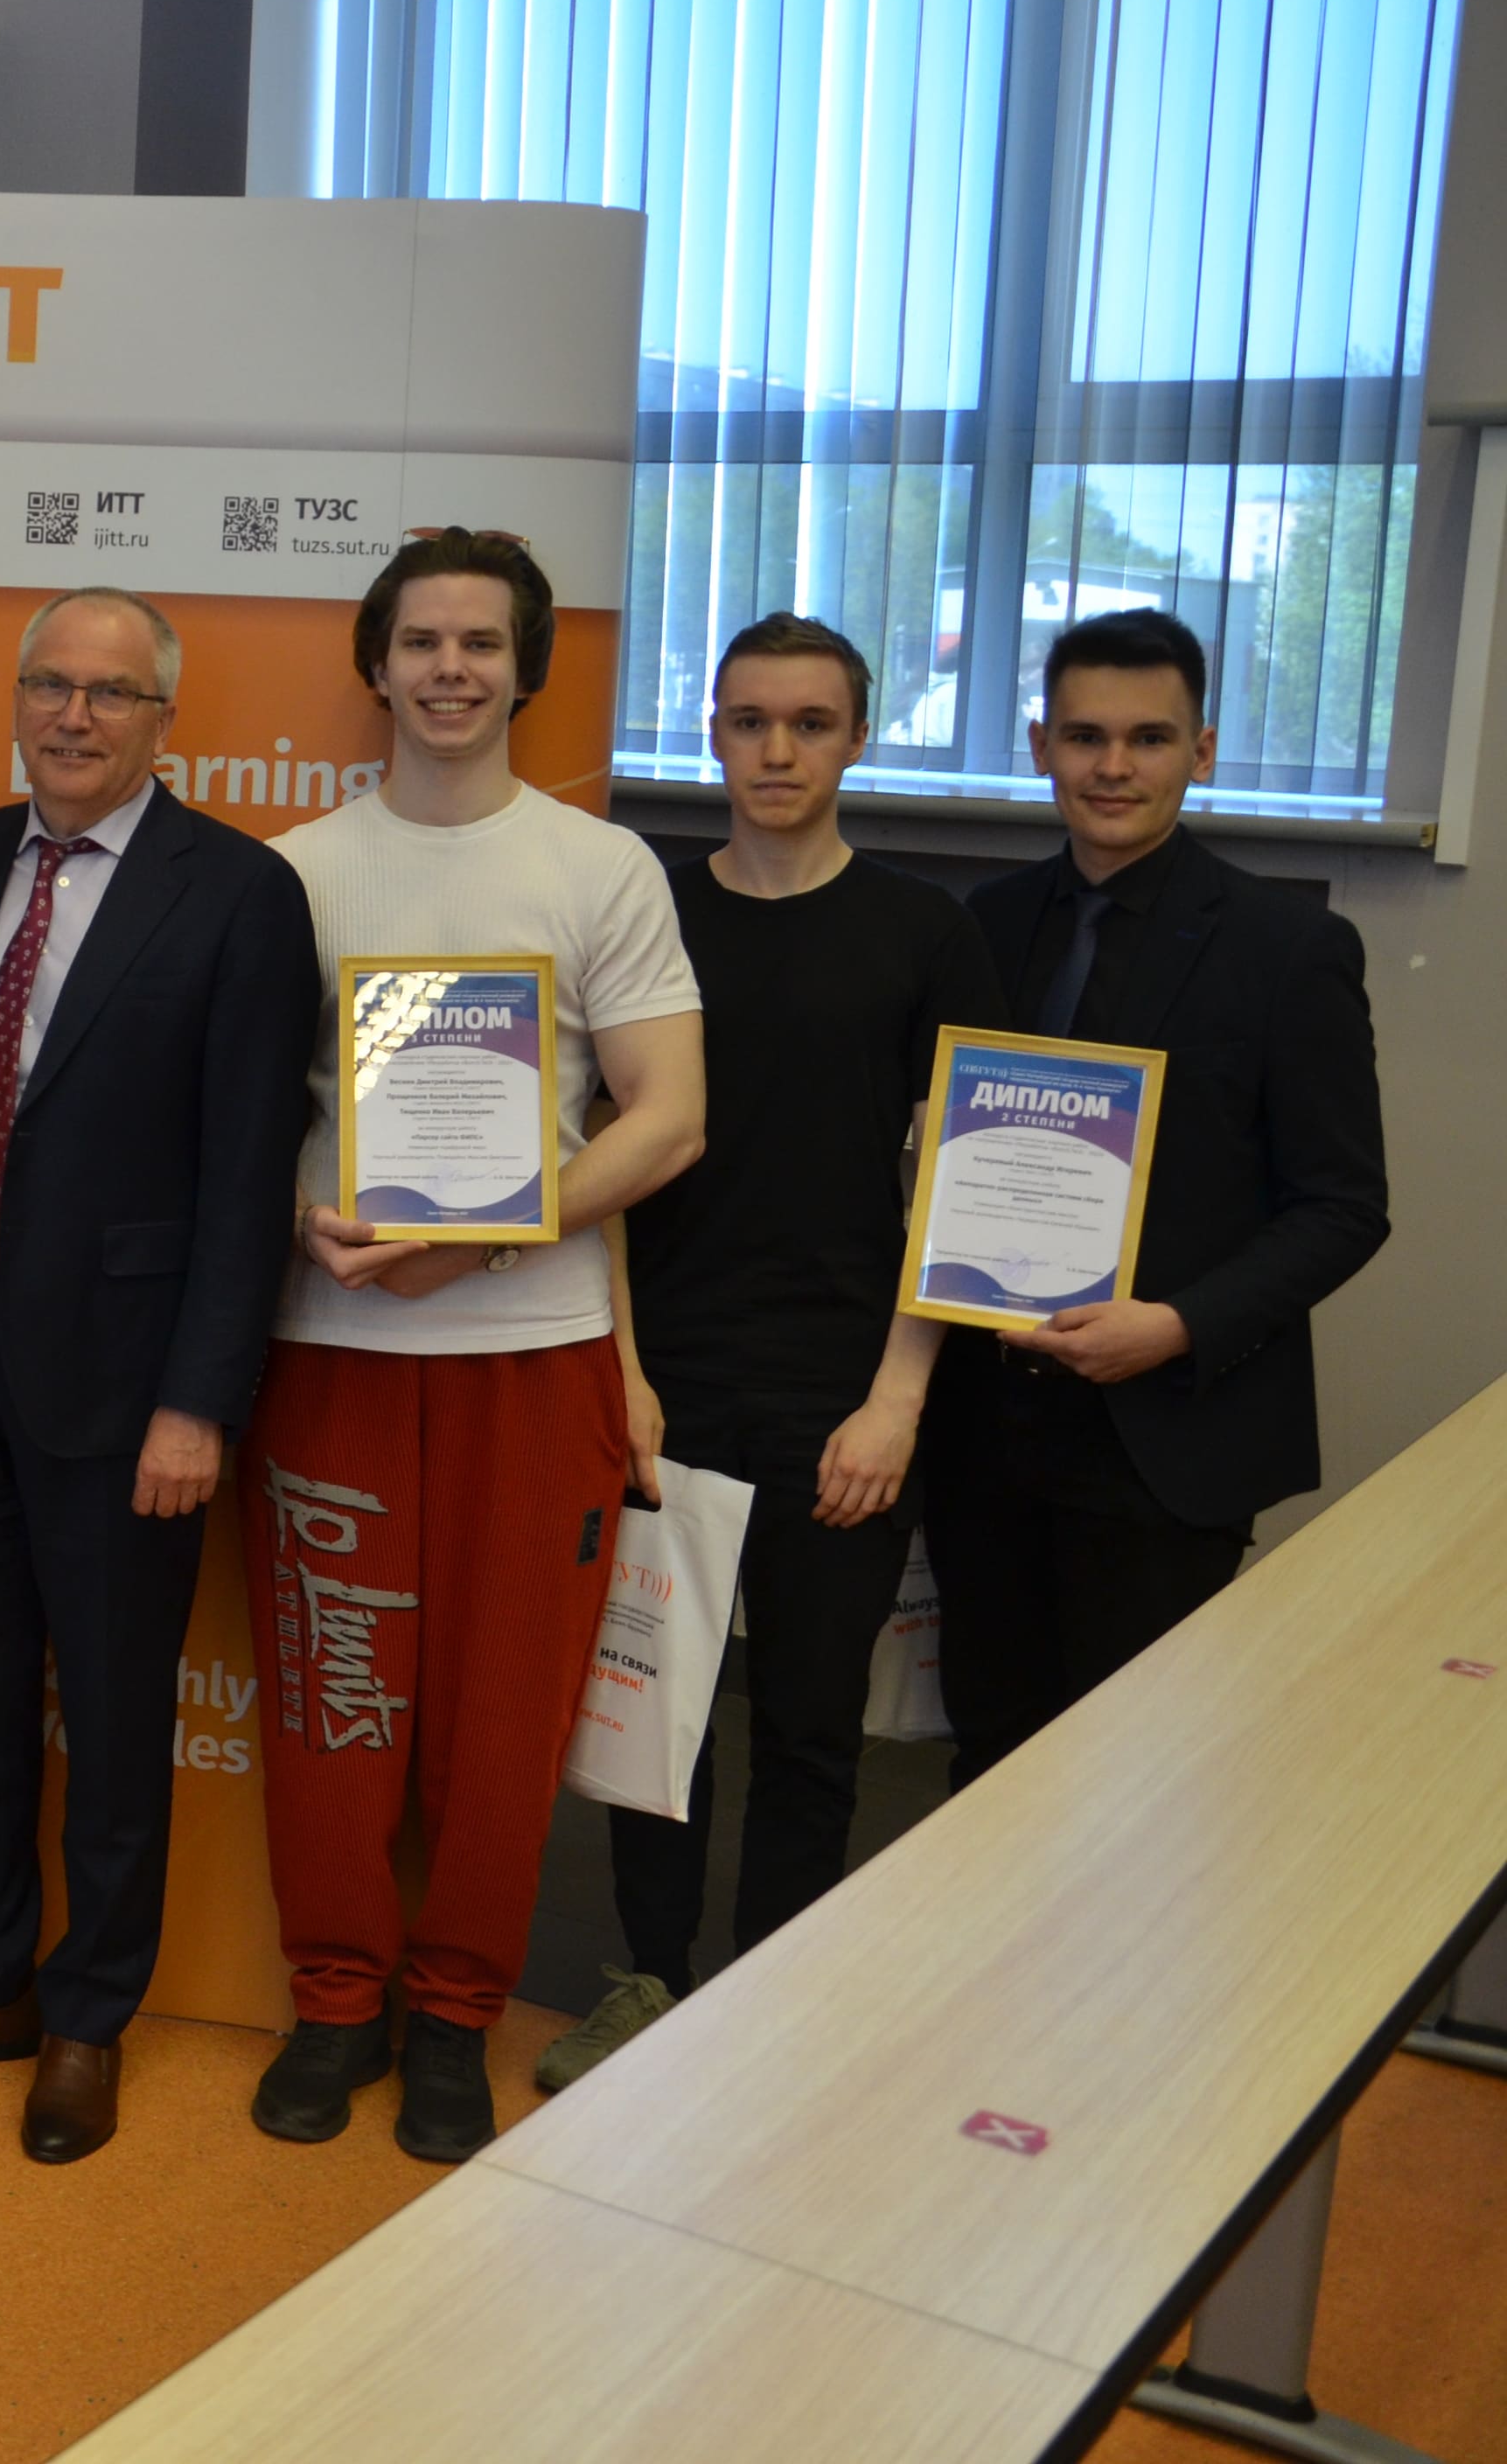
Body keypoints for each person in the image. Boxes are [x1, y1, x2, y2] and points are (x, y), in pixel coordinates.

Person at [0, 588, 320, 2163]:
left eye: (111, 693)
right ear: (18, 698)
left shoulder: (239, 893)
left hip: (130, 1391)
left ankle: (90, 2015)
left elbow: (247, 1174)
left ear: (163, 720)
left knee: (115, 1718)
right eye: (50, 683)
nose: (73, 715)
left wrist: (201, 1400)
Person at [251, 527, 706, 2166]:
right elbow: (239, 1117)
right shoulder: (293, 873)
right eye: (423, 641)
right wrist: (298, 1218)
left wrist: (492, 1231)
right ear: (376, 665)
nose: (451, 669)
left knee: (507, 1719)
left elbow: (668, 1118)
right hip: (336, 1345)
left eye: (483, 644)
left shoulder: (602, 869)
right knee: (335, 1703)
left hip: (536, 1351)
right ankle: (335, 2003)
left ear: (526, 671)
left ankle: (453, 2014)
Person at [534, 615, 999, 2093]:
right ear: (713, 736)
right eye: (748, 722)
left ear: (858, 737)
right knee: (655, 1718)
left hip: (843, 1391)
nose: (777, 751)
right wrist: (620, 1369)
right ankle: (646, 1983)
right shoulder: (650, 910)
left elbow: (962, 1187)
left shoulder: (927, 932)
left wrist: (898, 1400)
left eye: (809, 723)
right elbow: (598, 1158)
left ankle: (778, 2009)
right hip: (667, 1377)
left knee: (810, 1727)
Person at [933, 608, 1387, 1781]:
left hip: (1165, 1434)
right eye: (1086, 736)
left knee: (1135, 1784)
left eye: (1149, 738)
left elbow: (1344, 1205)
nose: (1114, 767)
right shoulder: (986, 924)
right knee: (987, 1758)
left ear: (1204, 750)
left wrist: (1176, 1326)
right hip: (988, 1424)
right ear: (1041, 746)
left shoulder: (1289, 947)